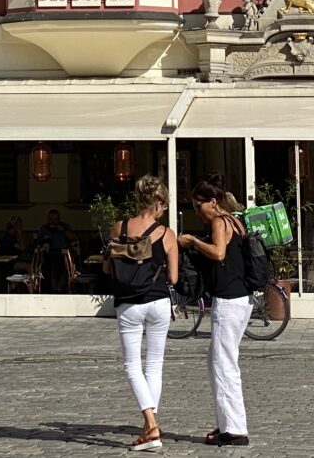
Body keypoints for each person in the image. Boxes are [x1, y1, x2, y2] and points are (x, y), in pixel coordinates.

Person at [103, 175, 179, 454]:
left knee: (132, 365)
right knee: (154, 365)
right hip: (158, 302)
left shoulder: (119, 227)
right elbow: (173, 277)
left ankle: (151, 425)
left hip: (128, 304)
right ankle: (151, 427)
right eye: (165, 206)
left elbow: (108, 268)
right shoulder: (167, 234)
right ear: (158, 203)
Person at [179, 177, 253, 448]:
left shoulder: (220, 222)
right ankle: (227, 422)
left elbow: (219, 253)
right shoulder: (235, 220)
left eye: (198, 206)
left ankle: (235, 429)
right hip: (241, 298)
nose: (197, 212)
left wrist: (193, 241)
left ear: (212, 202)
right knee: (216, 361)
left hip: (229, 300)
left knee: (224, 364)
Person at [35, 209, 78, 293]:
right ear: (48, 219)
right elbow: (37, 242)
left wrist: (64, 231)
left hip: (63, 253)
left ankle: (59, 287)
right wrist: (44, 240)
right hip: (48, 253)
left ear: (59, 219)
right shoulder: (44, 228)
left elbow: (75, 238)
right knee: (50, 265)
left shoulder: (64, 226)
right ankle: (54, 289)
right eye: (51, 219)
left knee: (66, 266)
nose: (53, 222)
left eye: (55, 219)